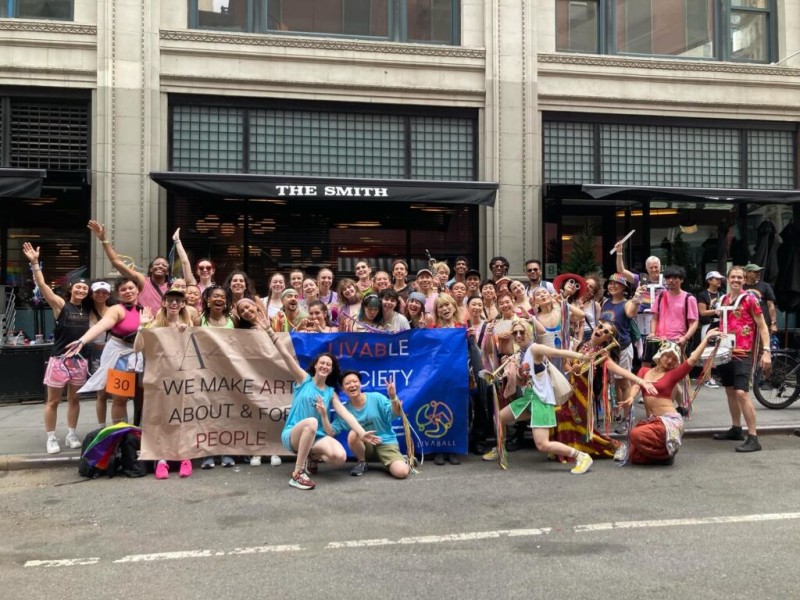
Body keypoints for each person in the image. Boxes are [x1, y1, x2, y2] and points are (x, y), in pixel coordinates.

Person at [266, 325, 381, 490]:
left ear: (331, 370)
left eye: (329, 365)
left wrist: (362, 434)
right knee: (312, 422)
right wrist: (270, 331)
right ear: (315, 365)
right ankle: (298, 473)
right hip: (293, 434)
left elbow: (346, 414)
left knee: (339, 456)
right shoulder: (303, 379)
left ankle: (311, 457)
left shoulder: (330, 393)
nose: (325, 366)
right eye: (322, 363)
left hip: (316, 437)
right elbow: (285, 355)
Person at [23, 243, 91, 454]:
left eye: (85, 288)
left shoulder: (89, 310)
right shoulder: (61, 305)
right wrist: (34, 262)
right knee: (52, 400)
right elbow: (43, 286)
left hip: (80, 361)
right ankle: (51, 437)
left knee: (74, 399)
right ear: (71, 289)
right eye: (78, 287)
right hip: (59, 360)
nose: (81, 290)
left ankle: (71, 434)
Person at [488, 342, 595, 474]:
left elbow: (557, 352)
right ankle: (500, 448)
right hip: (528, 400)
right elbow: (522, 381)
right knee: (498, 418)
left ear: (528, 332)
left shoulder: (534, 348)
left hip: (541, 401)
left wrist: (582, 356)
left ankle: (582, 456)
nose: (518, 335)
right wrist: (510, 366)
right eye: (515, 333)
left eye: (522, 332)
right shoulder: (520, 354)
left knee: (542, 444)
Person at [617, 331, 719, 465]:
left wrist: (705, 339)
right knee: (635, 456)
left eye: (674, 359)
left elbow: (692, 360)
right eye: (667, 356)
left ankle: (665, 453)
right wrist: (630, 397)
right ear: (660, 356)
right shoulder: (644, 371)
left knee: (635, 435)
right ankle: (663, 455)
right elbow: (636, 385)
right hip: (652, 422)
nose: (670, 360)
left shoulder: (672, 375)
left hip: (668, 422)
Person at [559, 321, 657, 458]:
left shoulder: (602, 355)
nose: (601, 331)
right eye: (600, 327)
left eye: (606, 332)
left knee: (580, 425)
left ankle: (613, 446)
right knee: (563, 417)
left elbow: (619, 370)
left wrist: (640, 381)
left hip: (583, 395)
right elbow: (567, 364)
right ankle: (569, 449)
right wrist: (572, 369)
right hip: (570, 391)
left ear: (608, 339)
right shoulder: (580, 345)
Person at [65, 278, 150, 425]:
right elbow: (102, 325)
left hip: (140, 356)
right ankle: (119, 434)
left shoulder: (145, 310)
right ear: (118, 294)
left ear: (137, 290)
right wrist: (82, 340)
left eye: (130, 288)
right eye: (123, 290)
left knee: (144, 396)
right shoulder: (116, 309)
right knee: (120, 398)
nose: (128, 292)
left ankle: (139, 432)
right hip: (119, 355)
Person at [133, 287, 194, 479]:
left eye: (178, 300)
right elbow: (137, 348)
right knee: (161, 417)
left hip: (182, 380)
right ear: (164, 303)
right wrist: (141, 327)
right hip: (160, 380)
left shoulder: (188, 324)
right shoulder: (154, 325)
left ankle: (185, 457)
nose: (174, 303)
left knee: (184, 417)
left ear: (183, 304)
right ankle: (161, 460)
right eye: (170, 300)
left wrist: (186, 333)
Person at [712, 266, 771, 452]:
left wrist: (767, 351)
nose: (736, 280)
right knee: (730, 391)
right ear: (727, 279)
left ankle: (753, 437)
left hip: (743, 352)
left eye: (740, 277)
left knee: (741, 393)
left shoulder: (750, 299)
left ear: (744, 280)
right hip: (724, 351)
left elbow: (762, 326)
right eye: (733, 277)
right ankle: (736, 429)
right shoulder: (722, 299)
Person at [329, 372, 410, 479]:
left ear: (360, 384)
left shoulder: (376, 398)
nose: (352, 385)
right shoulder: (345, 411)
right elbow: (331, 431)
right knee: (353, 433)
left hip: (385, 442)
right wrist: (322, 415)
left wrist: (393, 396)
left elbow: (395, 413)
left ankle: (403, 461)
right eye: (347, 383)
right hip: (365, 448)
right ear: (343, 389)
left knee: (402, 472)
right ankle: (362, 462)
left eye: (355, 381)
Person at [88, 220, 169, 314]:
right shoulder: (143, 281)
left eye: (164, 265)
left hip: (164, 325)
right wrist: (104, 240)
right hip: (144, 324)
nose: (160, 266)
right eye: (157, 264)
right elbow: (117, 263)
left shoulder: (172, 286)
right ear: (151, 269)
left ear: (167, 271)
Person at [600, 273, 639, 422]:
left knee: (623, 382)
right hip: (607, 349)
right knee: (612, 382)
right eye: (610, 283)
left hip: (622, 347)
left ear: (623, 287)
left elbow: (629, 313)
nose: (612, 286)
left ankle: (628, 416)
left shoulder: (627, 303)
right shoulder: (605, 302)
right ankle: (616, 412)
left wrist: (637, 298)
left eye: (617, 283)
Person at [649, 265, 699, 352]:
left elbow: (694, 322)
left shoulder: (689, 298)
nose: (671, 280)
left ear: (681, 280)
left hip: (679, 341)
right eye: (668, 278)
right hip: (660, 341)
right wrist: (653, 333)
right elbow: (654, 318)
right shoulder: (660, 296)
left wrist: (685, 338)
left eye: (675, 277)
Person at [87, 280, 115, 427]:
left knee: (117, 394)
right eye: (97, 292)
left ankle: (118, 425)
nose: (101, 295)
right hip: (96, 353)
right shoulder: (86, 311)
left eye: (104, 292)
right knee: (101, 393)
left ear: (109, 295)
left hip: (114, 353)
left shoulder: (114, 309)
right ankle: (101, 426)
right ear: (92, 294)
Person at [697, 271, 725, 388]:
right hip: (708, 325)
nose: (719, 281)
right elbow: (702, 312)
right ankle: (707, 378)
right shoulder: (703, 295)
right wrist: (715, 311)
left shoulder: (722, 294)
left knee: (722, 350)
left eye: (720, 279)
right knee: (708, 351)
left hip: (721, 324)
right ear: (709, 281)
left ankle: (722, 376)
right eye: (716, 279)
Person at [743, 263, 778, 337]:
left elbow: (771, 306)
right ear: (747, 273)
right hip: (745, 323)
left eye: (759, 272)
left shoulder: (765, 286)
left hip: (763, 323)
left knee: (762, 346)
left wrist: (773, 323)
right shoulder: (741, 287)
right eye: (755, 272)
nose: (759, 274)